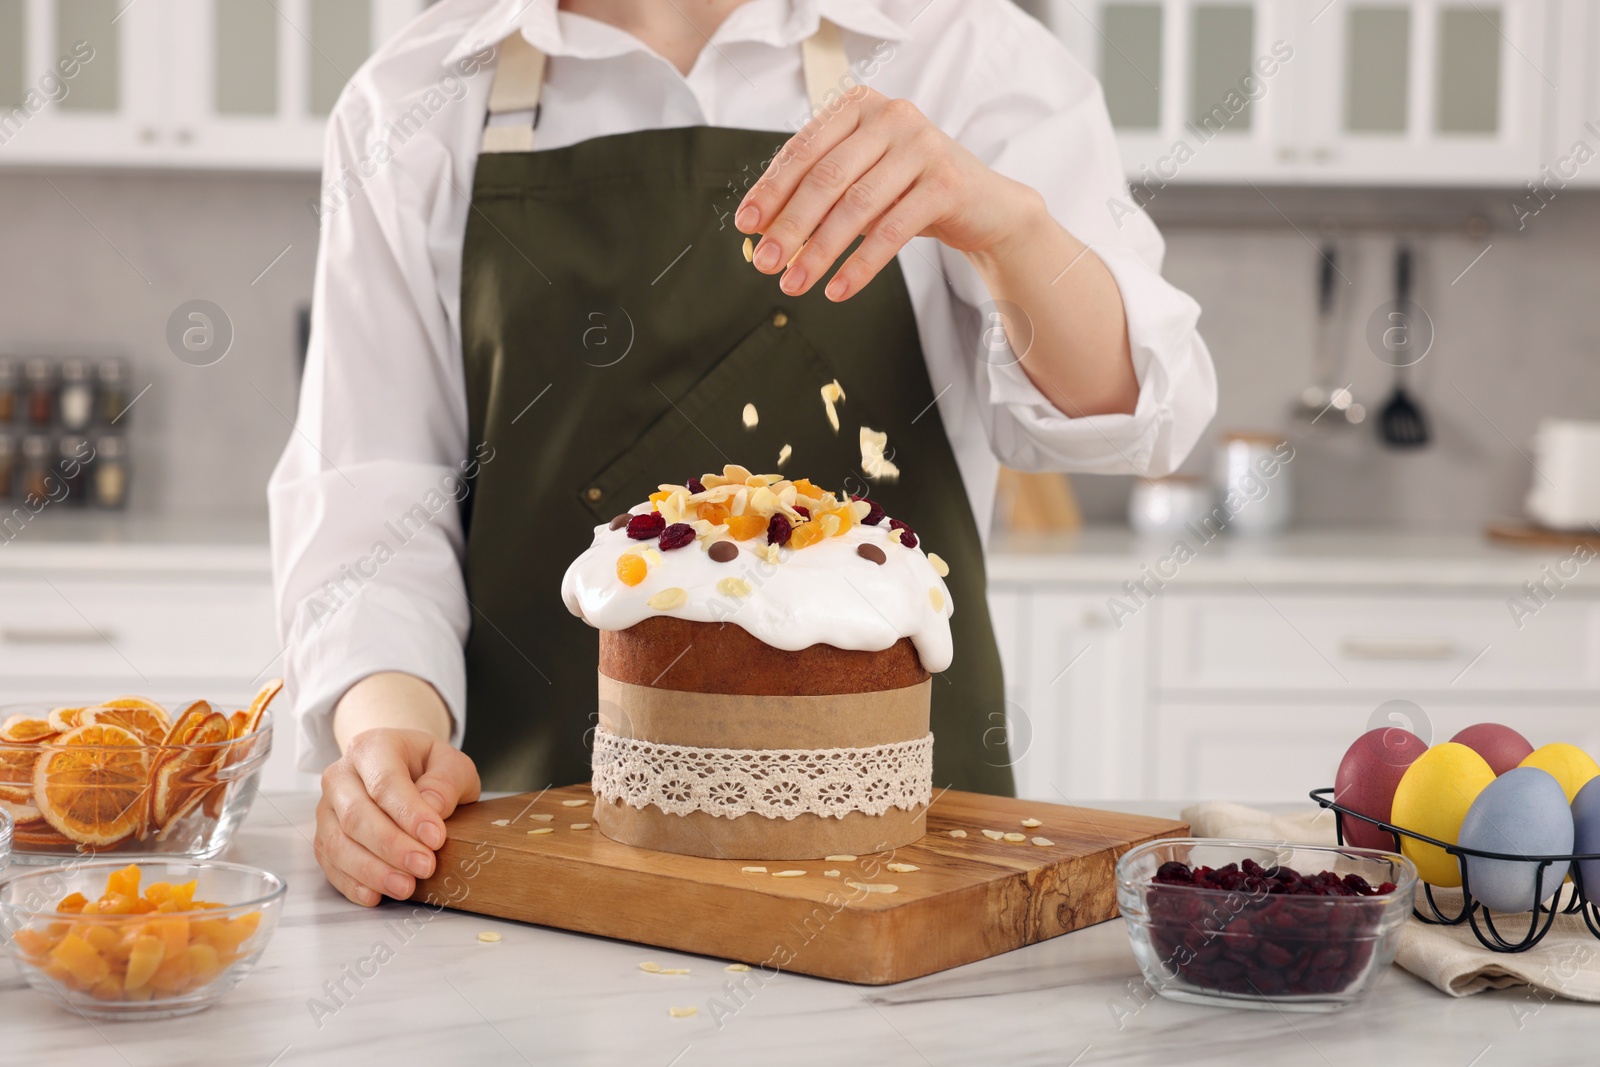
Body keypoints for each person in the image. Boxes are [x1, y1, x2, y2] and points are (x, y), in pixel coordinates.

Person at [270, 0, 1217, 907]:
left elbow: (1131, 406)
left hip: (902, 857)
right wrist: (386, 741)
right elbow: (373, 494)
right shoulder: (416, 97)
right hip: (541, 850)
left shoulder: (966, 52)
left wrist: (1003, 225)